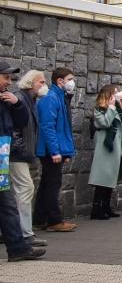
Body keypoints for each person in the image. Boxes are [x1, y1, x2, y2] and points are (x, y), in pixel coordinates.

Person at [0, 60, 45, 261]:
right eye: (5, 77)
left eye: (10, 78)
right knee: (8, 201)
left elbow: (21, 122)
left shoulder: (6, 99)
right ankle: (19, 246)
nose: (8, 82)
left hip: (2, 155)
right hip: (5, 154)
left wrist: (17, 105)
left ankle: (18, 248)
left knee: (7, 203)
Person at [34, 67, 77, 233]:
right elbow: (48, 127)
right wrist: (56, 151)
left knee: (47, 183)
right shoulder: (52, 98)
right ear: (60, 81)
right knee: (53, 183)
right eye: (69, 79)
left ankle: (40, 218)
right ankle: (53, 220)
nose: (72, 82)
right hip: (50, 150)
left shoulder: (58, 97)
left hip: (53, 149)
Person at [88, 85, 122, 220]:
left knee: (110, 178)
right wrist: (112, 107)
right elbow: (105, 123)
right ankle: (97, 209)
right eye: (115, 92)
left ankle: (106, 207)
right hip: (106, 147)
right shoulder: (99, 109)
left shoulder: (118, 109)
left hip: (117, 146)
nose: (119, 94)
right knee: (102, 179)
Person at [12, 70, 47, 247]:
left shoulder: (29, 100)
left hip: (20, 153)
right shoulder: (20, 99)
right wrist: (20, 148)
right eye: (41, 82)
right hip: (17, 154)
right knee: (25, 188)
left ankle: (19, 231)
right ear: (31, 83)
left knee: (19, 191)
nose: (43, 85)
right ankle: (25, 233)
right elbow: (14, 127)